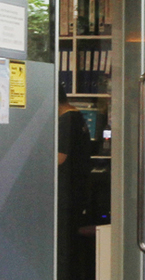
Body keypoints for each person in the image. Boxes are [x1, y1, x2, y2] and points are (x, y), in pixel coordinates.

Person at [57, 88, 94, 280]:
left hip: (67, 193)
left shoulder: (66, 121)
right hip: (78, 189)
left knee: (64, 243)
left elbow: (59, 158)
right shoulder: (77, 116)